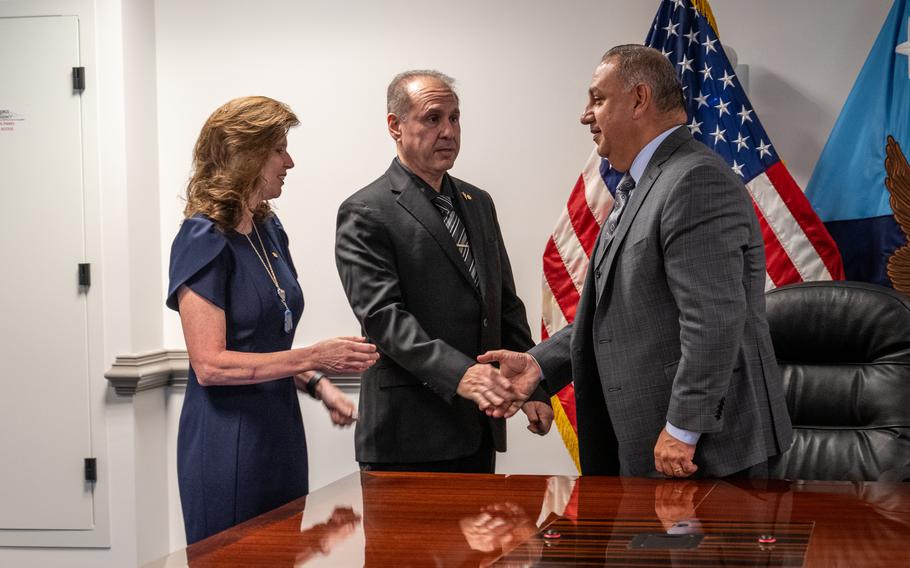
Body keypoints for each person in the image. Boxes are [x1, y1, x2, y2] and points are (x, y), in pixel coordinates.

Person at [480, 45, 793, 478]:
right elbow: (617, 313)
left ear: (639, 99)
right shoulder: (644, 183)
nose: (585, 115)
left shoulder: (693, 179)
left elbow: (714, 319)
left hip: (706, 457)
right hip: (651, 445)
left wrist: (684, 428)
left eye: (597, 99)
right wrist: (539, 364)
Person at [166, 96, 379, 544]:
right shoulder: (202, 238)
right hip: (228, 439)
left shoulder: (268, 229)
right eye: (279, 149)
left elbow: (266, 341)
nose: (290, 161)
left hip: (279, 433)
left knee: (279, 550)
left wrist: (318, 384)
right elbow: (211, 365)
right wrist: (315, 355)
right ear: (246, 154)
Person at [334, 70, 552, 473]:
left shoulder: (477, 201)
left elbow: (503, 303)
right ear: (394, 126)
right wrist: (460, 374)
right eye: (433, 118)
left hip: (478, 428)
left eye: (454, 118)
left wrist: (534, 385)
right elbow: (384, 318)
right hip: (408, 434)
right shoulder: (366, 210)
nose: (448, 131)